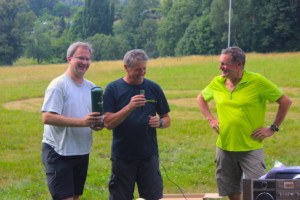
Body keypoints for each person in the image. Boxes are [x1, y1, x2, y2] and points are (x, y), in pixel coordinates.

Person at [197, 46, 292, 200]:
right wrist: (211, 119)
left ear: (239, 64)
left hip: (251, 147)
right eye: (220, 63)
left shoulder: (257, 81)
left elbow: (285, 101)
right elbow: (201, 98)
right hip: (225, 147)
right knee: (231, 191)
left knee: (259, 191)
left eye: (224, 64)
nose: (220, 67)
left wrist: (272, 128)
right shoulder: (217, 82)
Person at [103, 49, 171, 200]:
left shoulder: (154, 88)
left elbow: (167, 119)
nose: (142, 73)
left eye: (144, 68)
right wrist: (129, 107)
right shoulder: (113, 89)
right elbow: (108, 123)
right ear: (126, 68)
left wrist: (159, 122)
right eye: (137, 69)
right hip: (123, 156)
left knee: (152, 197)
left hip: (148, 155)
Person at [41, 42, 104, 200]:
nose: (84, 62)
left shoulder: (92, 87)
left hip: (81, 151)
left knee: (75, 197)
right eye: (80, 58)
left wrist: (97, 124)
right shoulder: (58, 85)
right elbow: (47, 117)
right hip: (58, 152)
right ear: (69, 59)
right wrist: (82, 122)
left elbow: (92, 117)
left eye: (87, 59)